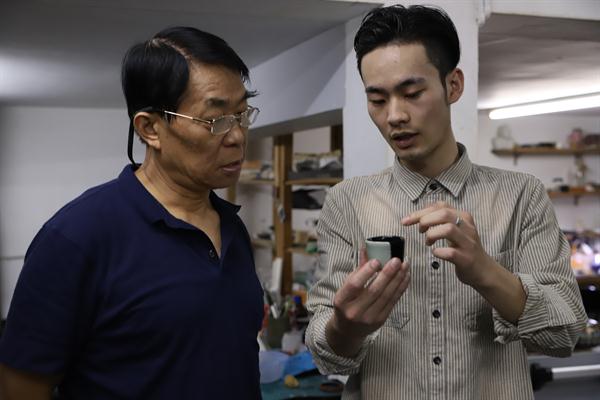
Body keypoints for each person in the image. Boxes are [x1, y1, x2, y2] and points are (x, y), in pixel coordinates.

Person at [305, 5, 587, 399]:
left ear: (453, 86)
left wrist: (487, 272)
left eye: (412, 93)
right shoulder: (346, 202)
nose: (394, 116)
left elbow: (566, 334)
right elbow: (326, 355)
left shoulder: (522, 195)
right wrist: (346, 327)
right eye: (378, 100)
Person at [0, 27, 263, 399]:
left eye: (241, 114)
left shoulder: (231, 226)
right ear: (150, 128)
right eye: (215, 120)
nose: (237, 136)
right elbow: (21, 388)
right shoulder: (77, 237)